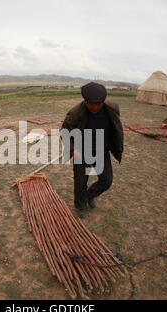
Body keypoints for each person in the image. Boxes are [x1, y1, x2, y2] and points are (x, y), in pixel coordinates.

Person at [61, 82, 124, 218]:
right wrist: (72, 149)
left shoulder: (111, 109)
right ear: (85, 100)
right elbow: (65, 132)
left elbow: (116, 128)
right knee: (80, 181)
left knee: (106, 181)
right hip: (81, 152)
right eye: (91, 104)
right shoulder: (75, 113)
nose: (95, 107)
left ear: (103, 101)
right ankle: (80, 206)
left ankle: (90, 195)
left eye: (98, 104)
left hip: (102, 151)